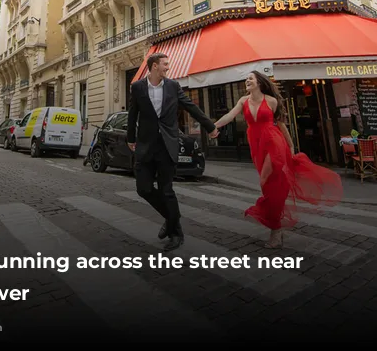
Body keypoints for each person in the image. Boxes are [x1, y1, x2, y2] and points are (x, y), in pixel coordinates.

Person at [214, 70, 343, 248]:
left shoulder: (272, 101)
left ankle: (275, 229)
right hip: (257, 145)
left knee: (267, 178)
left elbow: (281, 125)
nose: (247, 81)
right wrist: (213, 126)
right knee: (267, 184)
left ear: (259, 82)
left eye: (250, 78)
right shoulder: (243, 101)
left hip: (274, 143)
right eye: (246, 79)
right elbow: (229, 116)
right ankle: (276, 225)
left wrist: (290, 147)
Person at [127, 52, 219, 251]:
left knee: (166, 189)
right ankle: (172, 219)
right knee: (143, 188)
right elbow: (132, 114)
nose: (168, 67)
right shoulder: (137, 87)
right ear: (153, 67)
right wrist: (130, 138)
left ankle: (175, 232)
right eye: (165, 64)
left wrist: (210, 126)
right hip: (146, 145)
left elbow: (191, 107)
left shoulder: (173, 86)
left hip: (168, 145)